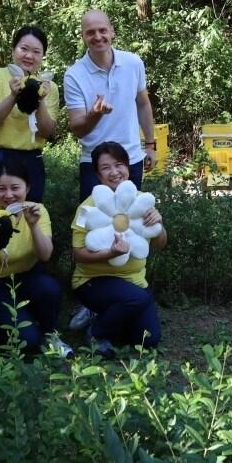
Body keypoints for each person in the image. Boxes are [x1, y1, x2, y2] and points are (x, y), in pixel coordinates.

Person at [70, 142, 168, 358]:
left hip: (134, 281)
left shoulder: (141, 201)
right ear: (97, 174)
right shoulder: (87, 208)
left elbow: (160, 244)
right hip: (92, 281)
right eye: (106, 167)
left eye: (119, 165)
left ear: (128, 167)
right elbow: (78, 255)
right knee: (138, 299)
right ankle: (96, 333)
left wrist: (159, 225)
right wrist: (111, 254)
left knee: (148, 339)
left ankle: (107, 314)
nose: (114, 172)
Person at [0, 160, 70, 356]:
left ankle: (50, 332)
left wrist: (33, 225)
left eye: (15, 188)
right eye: (1, 189)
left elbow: (45, 255)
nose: (8, 195)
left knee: (49, 288)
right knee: (28, 341)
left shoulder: (37, 211)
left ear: (28, 187)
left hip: (29, 277)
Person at [64, 10, 157, 200]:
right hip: (94, 164)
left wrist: (150, 146)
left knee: (130, 222)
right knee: (93, 224)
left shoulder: (133, 63)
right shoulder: (74, 75)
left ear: (112, 31)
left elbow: (143, 105)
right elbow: (78, 129)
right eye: (90, 32)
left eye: (102, 30)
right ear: (82, 36)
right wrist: (95, 114)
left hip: (130, 160)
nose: (98, 37)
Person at [0, 26, 59, 210]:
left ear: (43, 55)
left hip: (31, 160)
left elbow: (47, 131)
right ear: (13, 50)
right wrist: (12, 97)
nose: (29, 56)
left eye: (36, 51)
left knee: (30, 215)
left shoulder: (48, 85)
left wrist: (41, 101)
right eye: (24, 49)